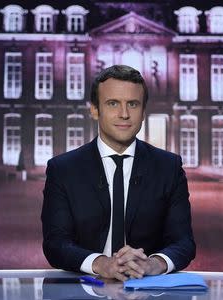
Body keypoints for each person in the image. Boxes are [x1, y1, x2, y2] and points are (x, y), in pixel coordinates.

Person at [41, 65, 195, 281]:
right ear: (94, 110)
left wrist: (153, 264)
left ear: (143, 112)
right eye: (113, 103)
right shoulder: (63, 169)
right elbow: (56, 243)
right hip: (82, 292)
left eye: (133, 104)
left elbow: (183, 242)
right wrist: (102, 264)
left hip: (147, 291)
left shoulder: (169, 167)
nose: (124, 114)